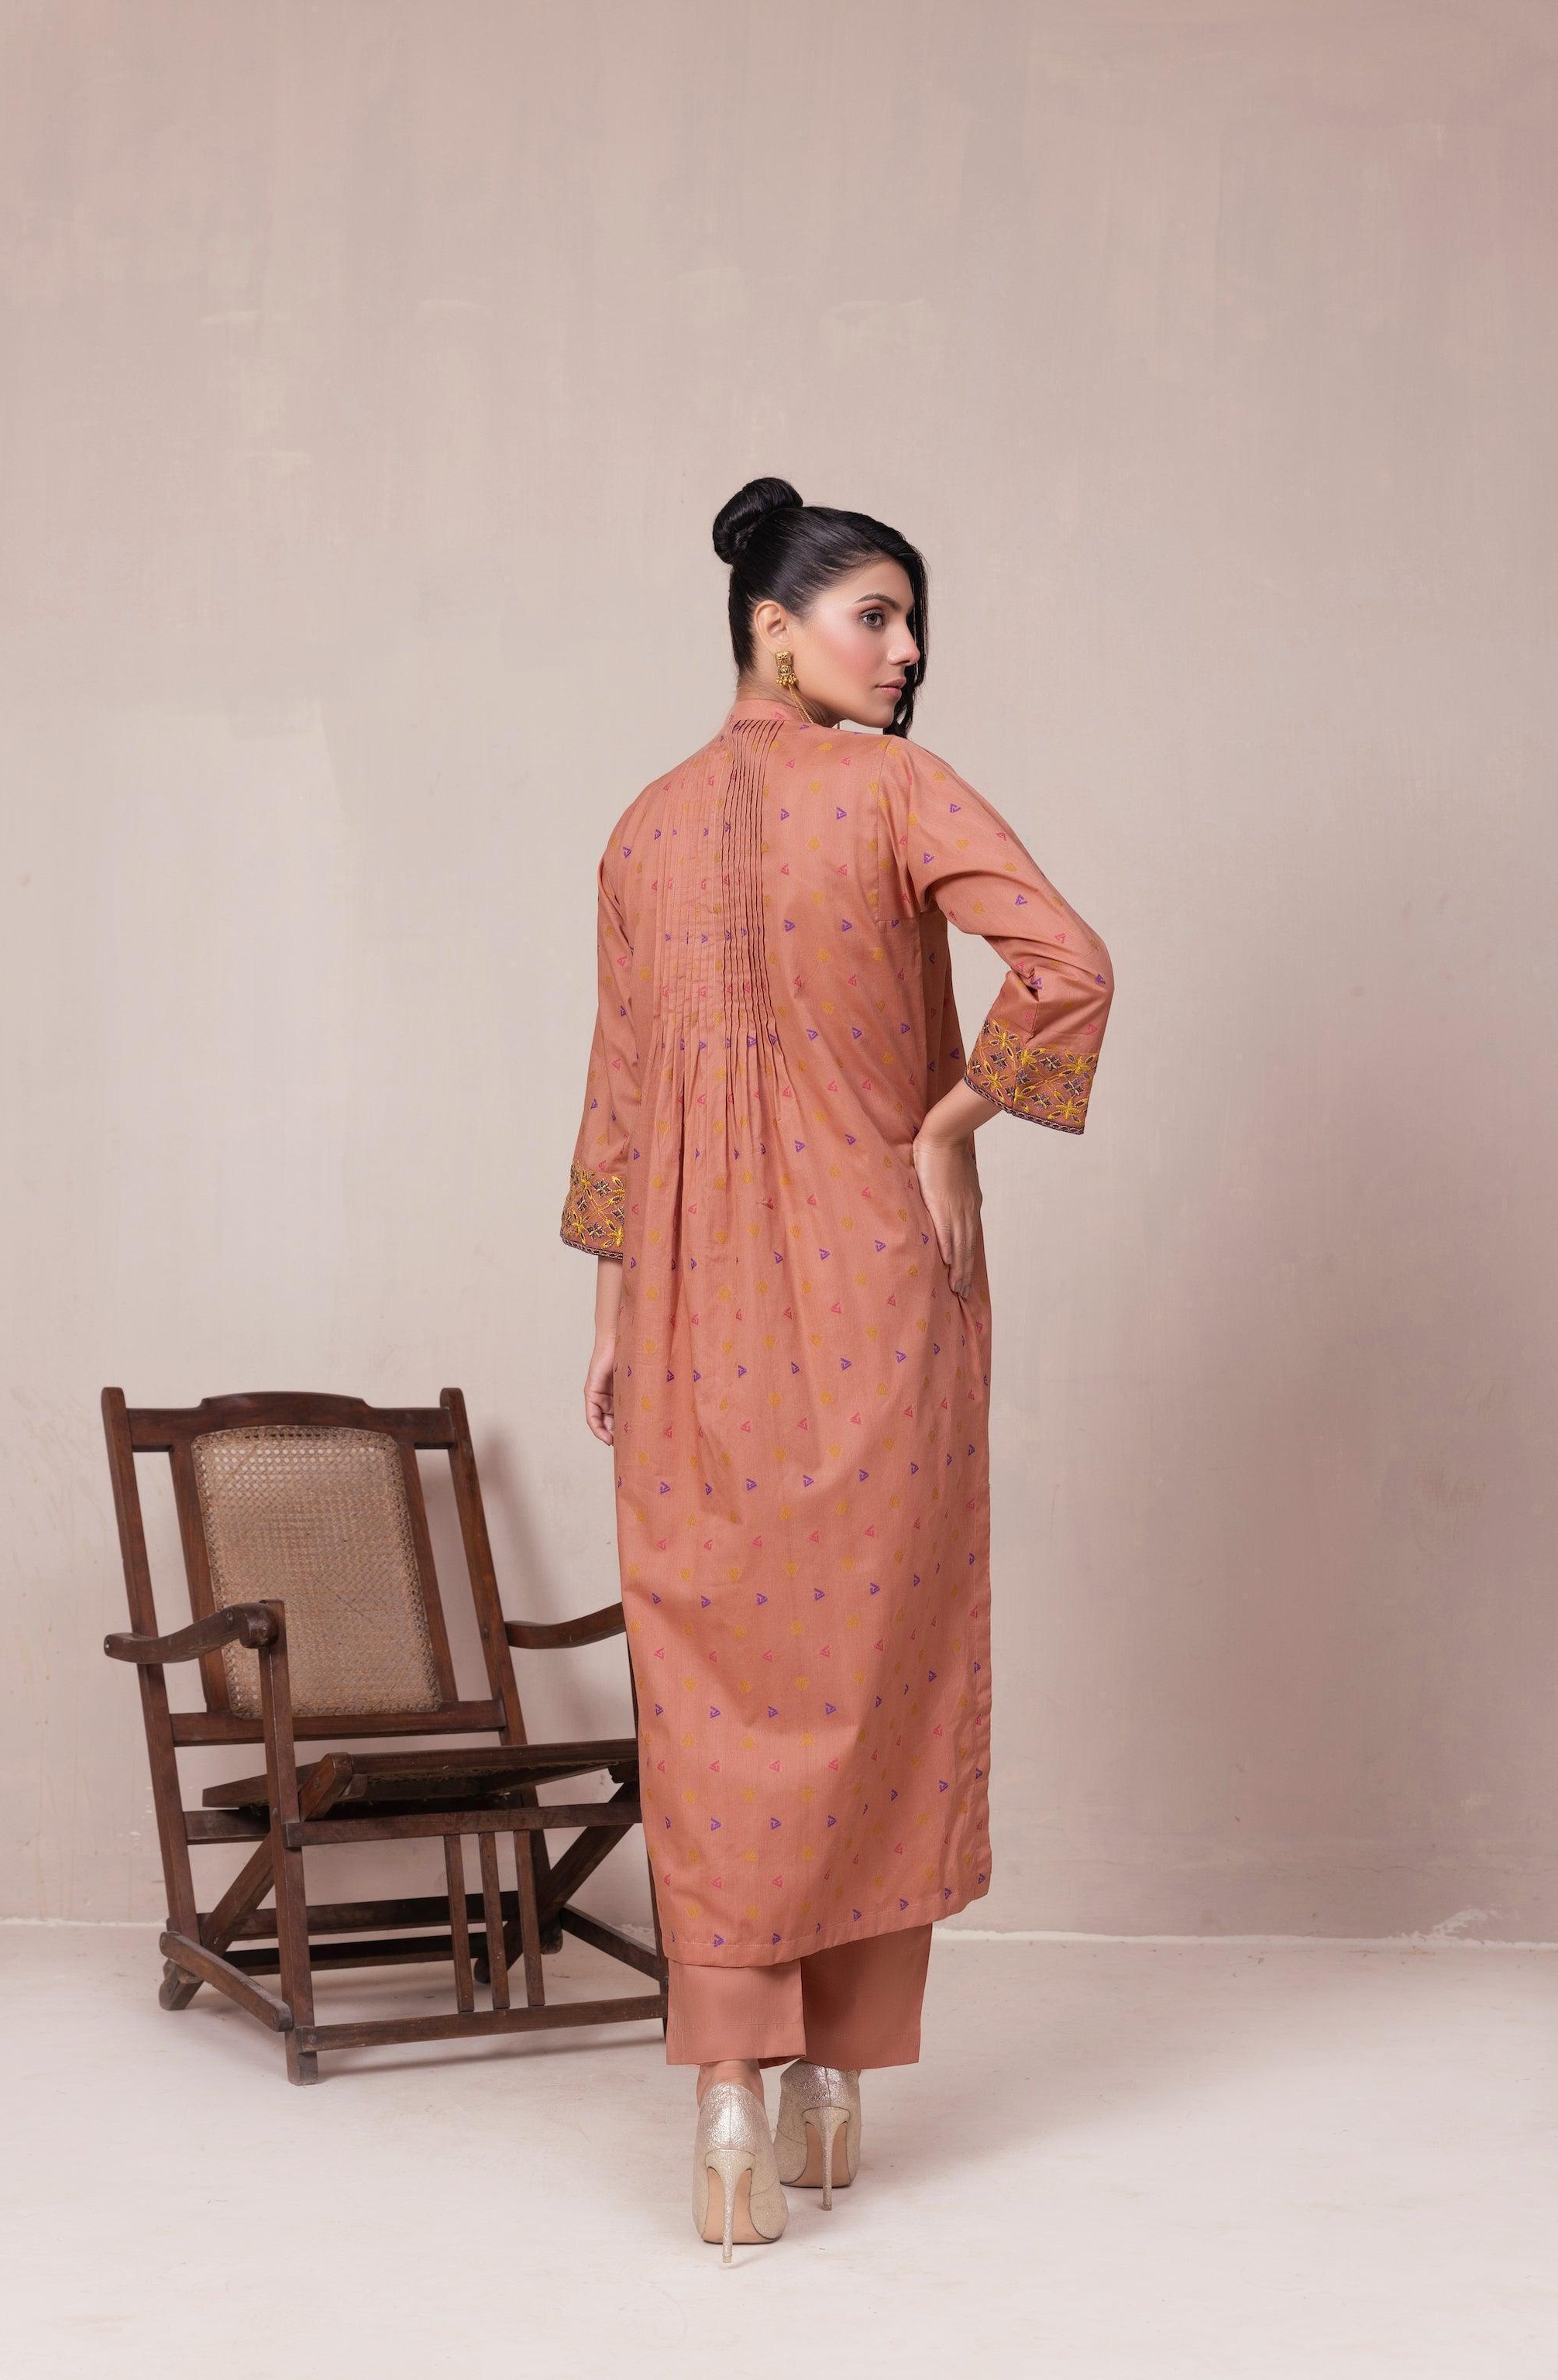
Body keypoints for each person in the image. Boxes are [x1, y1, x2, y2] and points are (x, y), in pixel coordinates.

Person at [560, 476, 1116, 2260]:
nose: (907, 648)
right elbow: (1066, 966)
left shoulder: (639, 830)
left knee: (708, 1687)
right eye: (874, 614)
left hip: (684, 1311)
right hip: (876, 1286)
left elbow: (616, 1100)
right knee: (878, 1667)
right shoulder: (893, 790)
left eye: (909, 616)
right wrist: (948, 1126)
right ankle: (827, 2086)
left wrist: (607, 1313)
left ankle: (727, 2092)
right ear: (772, 626)